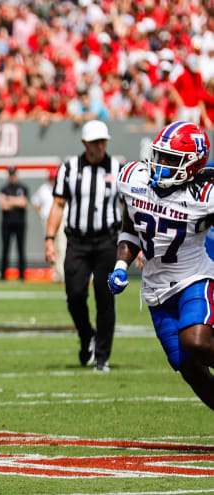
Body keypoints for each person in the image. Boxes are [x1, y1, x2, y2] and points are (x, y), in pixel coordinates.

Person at [108, 121, 214, 409]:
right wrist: (121, 264)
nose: (162, 164)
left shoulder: (204, 196)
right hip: (156, 292)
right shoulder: (135, 179)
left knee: (198, 343)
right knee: (190, 369)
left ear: (192, 164)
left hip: (194, 279)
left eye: (171, 159)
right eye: (160, 156)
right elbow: (130, 229)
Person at [44, 120, 122, 372]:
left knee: (105, 297)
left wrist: (136, 243)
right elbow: (58, 204)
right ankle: (86, 333)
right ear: (85, 143)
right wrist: (49, 239)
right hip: (77, 241)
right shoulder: (69, 168)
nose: (100, 146)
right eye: (96, 142)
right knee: (75, 294)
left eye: (103, 141)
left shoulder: (117, 168)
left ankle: (102, 357)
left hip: (107, 241)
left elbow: (128, 208)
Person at [32, 167, 66, 282]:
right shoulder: (44, 189)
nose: (52, 180)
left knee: (62, 246)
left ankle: (63, 273)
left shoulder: (62, 188)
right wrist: (41, 213)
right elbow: (35, 201)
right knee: (51, 247)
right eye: (51, 178)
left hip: (60, 221)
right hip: (47, 221)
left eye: (54, 178)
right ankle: (57, 274)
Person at [0, 166, 28, 280]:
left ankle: (21, 275)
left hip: (20, 223)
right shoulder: (4, 188)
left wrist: (9, 199)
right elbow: (3, 205)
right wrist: (16, 201)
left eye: (14, 174)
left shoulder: (22, 188)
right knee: (5, 248)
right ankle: (3, 274)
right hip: (6, 223)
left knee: (21, 249)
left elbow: (24, 203)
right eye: (11, 175)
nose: (12, 177)